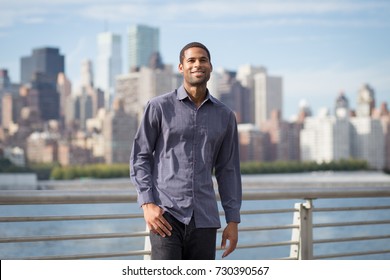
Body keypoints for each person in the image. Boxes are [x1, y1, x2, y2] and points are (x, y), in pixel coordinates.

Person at [130, 42, 242, 260]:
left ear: (210, 67)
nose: (197, 64)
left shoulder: (225, 116)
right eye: (191, 60)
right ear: (181, 67)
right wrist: (147, 204)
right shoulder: (158, 107)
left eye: (203, 60)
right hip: (166, 216)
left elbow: (228, 170)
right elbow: (140, 157)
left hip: (205, 220)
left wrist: (233, 220)